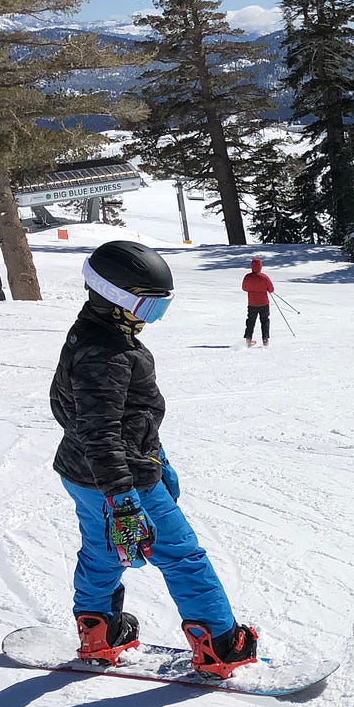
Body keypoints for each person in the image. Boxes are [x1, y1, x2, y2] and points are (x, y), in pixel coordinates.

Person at [51, 240, 260, 678]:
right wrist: (124, 499)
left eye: (159, 308)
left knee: (101, 552)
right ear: (114, 298)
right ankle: (220, 645)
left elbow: (123, 419)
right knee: (181, 556)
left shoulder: (94, 334)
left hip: (84, 473)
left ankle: (98, 633)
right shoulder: (106, 354)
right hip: (122, 481)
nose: (152, 319)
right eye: (148, 307)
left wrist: (158, 459)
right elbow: (100, 432)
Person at [242, 257, 274, 347]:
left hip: (252, 303)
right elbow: (271, 289)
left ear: (252, 266)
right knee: (265, 321)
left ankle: (248, 340)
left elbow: (244, 288)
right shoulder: (264, 277)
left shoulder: (247, 277)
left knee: (250, 322)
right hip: (264, 303)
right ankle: (265, 340)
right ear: (260, 266)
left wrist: (251, 290)